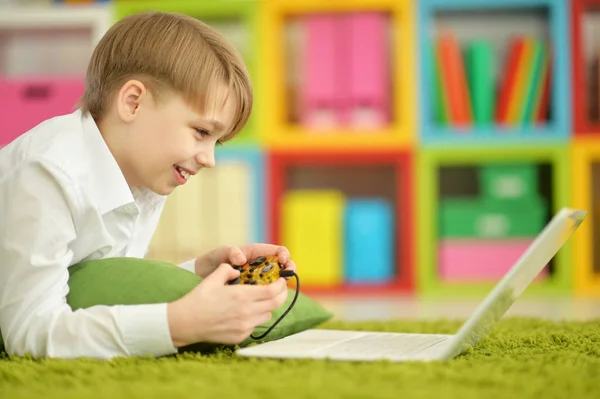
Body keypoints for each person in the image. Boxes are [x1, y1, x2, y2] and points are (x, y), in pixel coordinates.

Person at [0, 11, 295, 359]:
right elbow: (30, 332)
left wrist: (196, 273)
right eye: (201, 132)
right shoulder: (49, 173)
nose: (209, 159)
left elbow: (99, 284)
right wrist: (179, 325)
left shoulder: (143, 178)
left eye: (216, 142)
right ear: (133, 102)